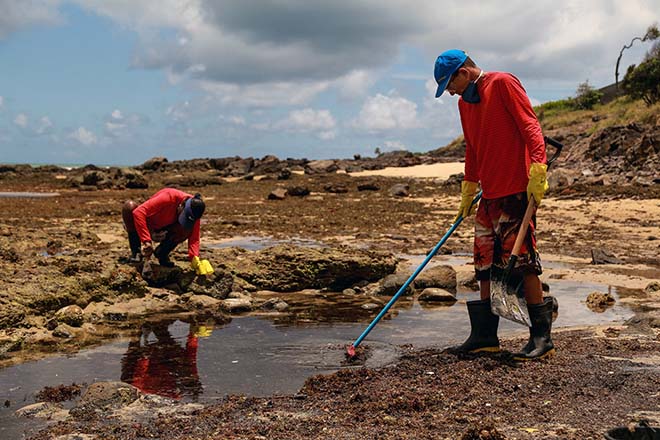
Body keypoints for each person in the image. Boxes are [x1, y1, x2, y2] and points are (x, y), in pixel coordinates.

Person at [433, 49, 555, 361]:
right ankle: (485, 336)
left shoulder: (502, 83)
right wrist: (468, 186)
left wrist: (538, 169)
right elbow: (472, 148)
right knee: (484, 264)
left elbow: (531, 127)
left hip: (516, 191)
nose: (449, 91)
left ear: (464, 72)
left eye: (449, 83)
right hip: (488, 197)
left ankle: (542, 338)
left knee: (524, 262)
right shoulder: (465, 104)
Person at [121, 188, 214, 275]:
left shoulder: (194, 212)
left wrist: (195, 259)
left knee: (186, 229)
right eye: (184, 216)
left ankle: (162, 253)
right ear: (181, 205)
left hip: (166, 229)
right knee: (129, 207)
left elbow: (194, 238)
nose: (185, 219)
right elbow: (139, 212)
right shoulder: (168, 197)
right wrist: (146, 241)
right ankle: (136, 252)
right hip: (148, 225)